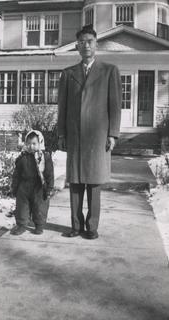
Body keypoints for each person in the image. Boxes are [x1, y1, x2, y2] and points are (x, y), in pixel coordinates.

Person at [57, 25, 122, 240]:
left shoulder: (109, 71)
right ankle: (76, 225)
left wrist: (113, 134)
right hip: (75, 136)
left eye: (90, 41)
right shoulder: (68, 74)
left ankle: (92, 226)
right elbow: (62, 107)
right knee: (75, 182)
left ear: (97, 44)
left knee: (94, 183)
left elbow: (114, 106)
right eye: (82, 42)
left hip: (98, 137)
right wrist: (62, 134)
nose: (86, 45)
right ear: (77, 46)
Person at [10, 130, 54, 235]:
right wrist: (14, 187)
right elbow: (17, 174)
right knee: (22, 207)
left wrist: (49, 188)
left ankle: (39, 225)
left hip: (39, 186)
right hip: (24, 186)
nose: (31, 146)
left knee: (39, 207)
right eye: (28, 144)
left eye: (34, 144)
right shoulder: (22, 158)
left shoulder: (44, 157)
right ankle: (21, 225)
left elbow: (49, 174)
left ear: (40, 143)